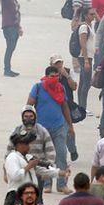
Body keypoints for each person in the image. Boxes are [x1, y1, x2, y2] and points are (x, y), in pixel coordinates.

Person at [28, 66, 75, 194]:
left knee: (61, 154)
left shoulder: (61, 88)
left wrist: (70, 126)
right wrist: (29, 125)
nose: (55, 79)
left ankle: (62, 184)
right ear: (46, 76)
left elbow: (65, 107)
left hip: (59, 127)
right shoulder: (37, 88)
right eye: (52, 76)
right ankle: (47, 184)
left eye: (57, 76)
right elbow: (29, 106)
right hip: (42, 129)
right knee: (45, 157)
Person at [4, 129, 68, 205]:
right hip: (17, 197)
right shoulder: (12, 157)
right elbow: (15, 176)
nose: (29, 147)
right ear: (18, 145)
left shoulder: (27, 157)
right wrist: (28, 167)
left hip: (30, 196)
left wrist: (60, 173)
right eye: (26, 144)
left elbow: (41, 170)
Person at [5, 105, 56, 194]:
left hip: (38, 172)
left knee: (38, 199)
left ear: (35, 117)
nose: (28, 119)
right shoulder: (17, 131)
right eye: (26, 116)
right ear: (22, 118)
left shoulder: (42, 131)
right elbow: (8, 152)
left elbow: (50, 151)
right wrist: (6, 172)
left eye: (31, 116)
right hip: (22, 172)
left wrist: (48, 169)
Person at [0, 0, 22, 77]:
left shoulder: (14, 0)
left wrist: (19, 27)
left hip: (15, 27)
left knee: (12, 48)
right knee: (9, 48)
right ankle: (7, 70)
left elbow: (17, 14)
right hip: (9, 27)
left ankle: (8, 69)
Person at [76, 7, 98, 110]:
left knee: (82, 82)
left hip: (88, 56)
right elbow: (83, 43)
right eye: (91, 14)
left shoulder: (90, 26)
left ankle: (81, 105)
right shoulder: (84, 27)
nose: (93, 16)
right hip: (85, 57)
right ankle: (83, 107)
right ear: (85, 16)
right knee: (86, 82)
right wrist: (85, 60)